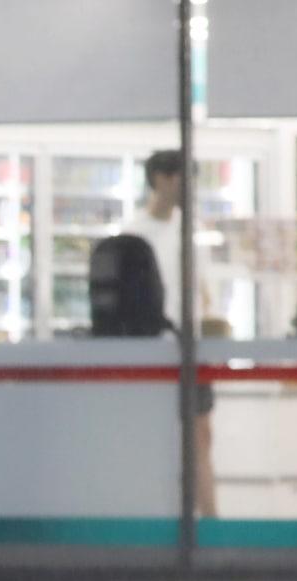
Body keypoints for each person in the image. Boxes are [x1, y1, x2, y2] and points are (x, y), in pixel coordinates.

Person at [121, 149, 218, 518]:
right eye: (184, 178)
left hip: (190, 346)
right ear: (162, 178)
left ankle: (210, 521)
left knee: (201, 437)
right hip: (153, 349)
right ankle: (164, 519)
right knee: (155, 439)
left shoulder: (192, 232)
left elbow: (204, 291)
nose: (190, 188)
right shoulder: (134, 234)